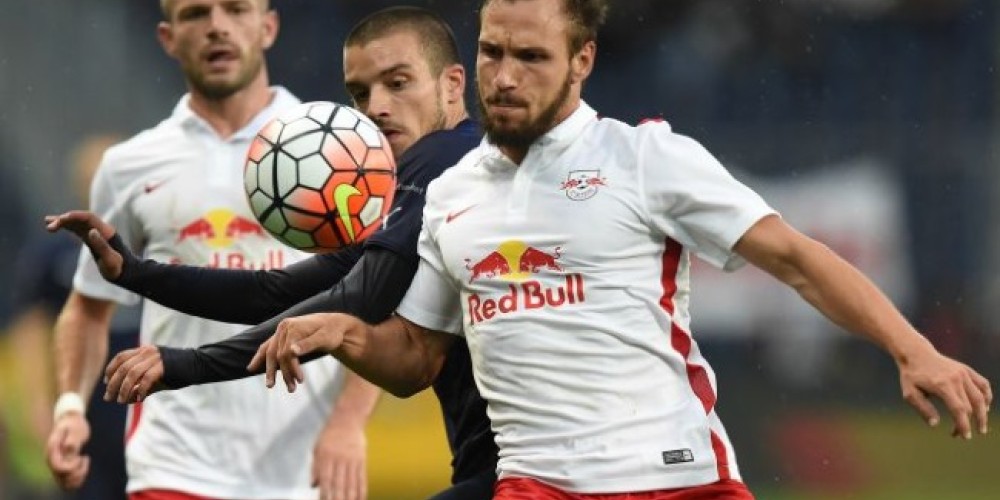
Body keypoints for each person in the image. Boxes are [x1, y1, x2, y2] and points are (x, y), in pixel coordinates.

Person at [87, 0, 992, 498]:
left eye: (530, 57)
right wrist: (344, 335)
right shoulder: (453, 194)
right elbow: (414, 358)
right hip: (535, 486)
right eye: (491, 54)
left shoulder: (646, 157)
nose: (505, 77)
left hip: (676, 476)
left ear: (582, 61)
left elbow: (796, 258)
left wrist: (911, 349)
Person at [47, 6, 498, 500]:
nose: (376, 108)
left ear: (453, 85)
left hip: (522, 470)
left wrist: (185, 365)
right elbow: (280, 291)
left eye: (398, 83)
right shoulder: (411, 175)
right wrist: (135, 273)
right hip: (178, 463)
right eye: (359, 93)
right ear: (167, 37)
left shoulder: (437, 160)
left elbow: (359, 299)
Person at [6, 134, 140, 500]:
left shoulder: (156, 246)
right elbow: (30, 331)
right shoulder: (53, 256)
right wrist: (37, 400)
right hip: (85, 406)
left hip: (149, 404)